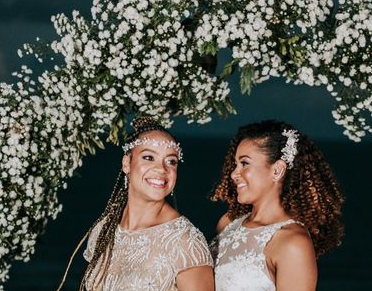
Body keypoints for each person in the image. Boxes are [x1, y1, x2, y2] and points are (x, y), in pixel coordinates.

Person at [58, 117, 214, 291]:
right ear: (127, 163)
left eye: (171, 161)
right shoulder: (104, 228)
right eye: (149, 157)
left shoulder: (185, 243)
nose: (162, 169)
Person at [210, 120, 344, 291]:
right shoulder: (227, 223)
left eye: (244, 163)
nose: (234, 174)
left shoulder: (293, 242)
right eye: (236, 164)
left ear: (277, 170)